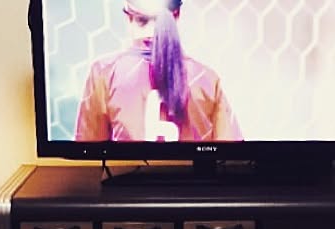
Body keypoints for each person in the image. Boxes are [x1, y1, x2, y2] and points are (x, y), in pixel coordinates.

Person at [75, 0, 242, 142]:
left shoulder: (104, 71)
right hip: (192, 172)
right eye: (142, 21)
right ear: (176, 16)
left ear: (128, 17)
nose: (151, 32)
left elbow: (87, 153)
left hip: (128, 172)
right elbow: (233, 155)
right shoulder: (206, 78)